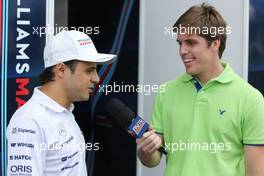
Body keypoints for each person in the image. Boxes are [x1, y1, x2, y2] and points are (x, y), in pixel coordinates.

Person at [137, 3, 264, 176]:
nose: (182, 51)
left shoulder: (250, 99)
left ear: (215, 43)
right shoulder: (166, 92)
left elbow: (256, 172)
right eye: (180, 43)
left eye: (191, 42)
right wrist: (145, 151)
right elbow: (153, 160)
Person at [7, 30, 116, 176]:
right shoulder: (29, 121)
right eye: (89, 70)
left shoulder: (65, 111)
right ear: (61, 70)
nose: (96, 78)